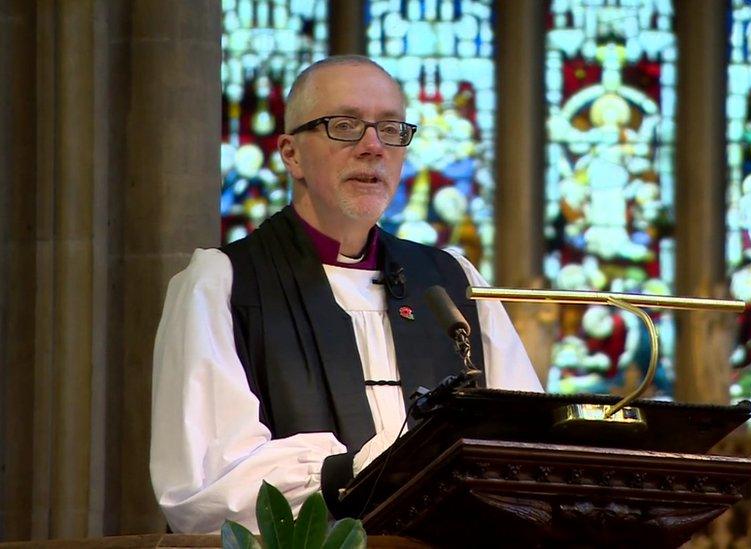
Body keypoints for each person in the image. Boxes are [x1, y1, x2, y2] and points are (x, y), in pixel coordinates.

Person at [150, 55, 542, 534]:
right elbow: (205, 487)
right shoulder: (225, 282)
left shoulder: (450, 280)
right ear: (291, 154)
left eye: (391, 129)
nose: (373, 147)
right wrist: (357, 471)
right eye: (345, 125)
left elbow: (526, 445)